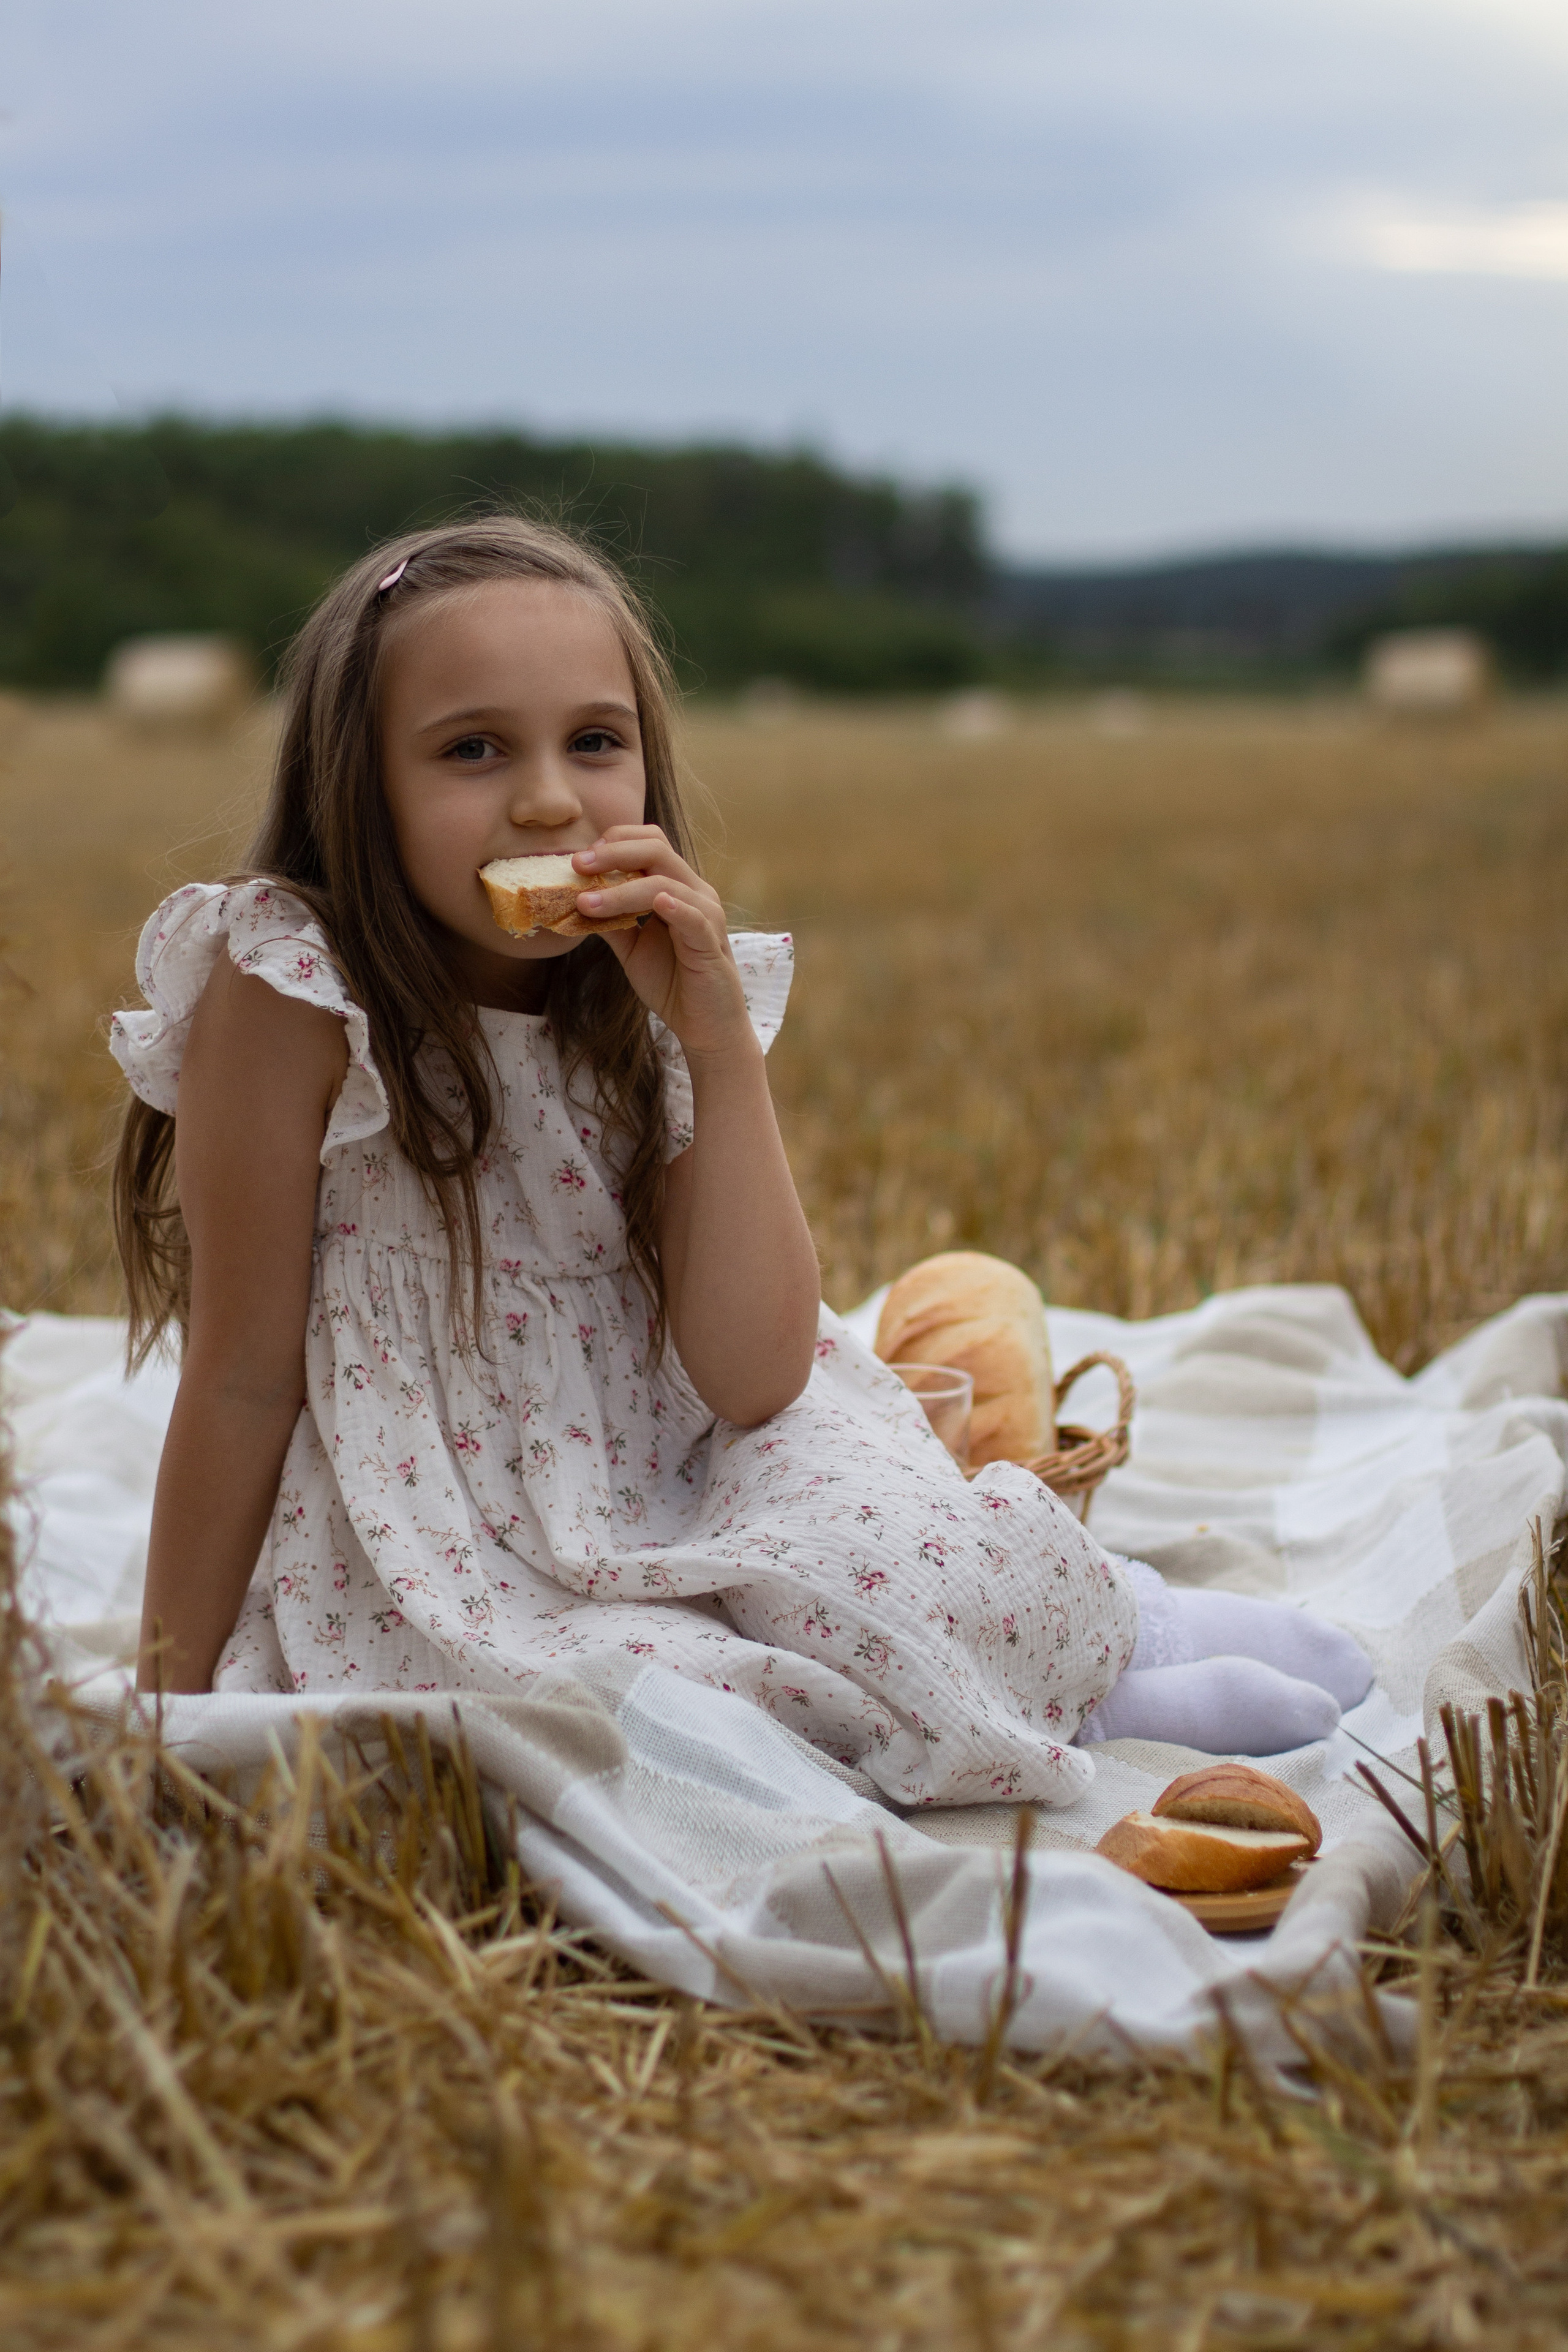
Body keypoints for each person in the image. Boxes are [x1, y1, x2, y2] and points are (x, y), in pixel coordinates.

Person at [110, 516, 1370, 1807]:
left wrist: (714, 1044)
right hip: (457, 1527)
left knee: (879, 1532)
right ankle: (1067, 1704)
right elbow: (245, 1380)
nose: (548, 798)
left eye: (593, 743)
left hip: (681, 1452)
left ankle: (1109, 1646)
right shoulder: (289, 992)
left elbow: (759, 1374)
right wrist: (165, 1700)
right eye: (472, 749)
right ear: (355, 784)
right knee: (626, 1711)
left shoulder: (641, 994)